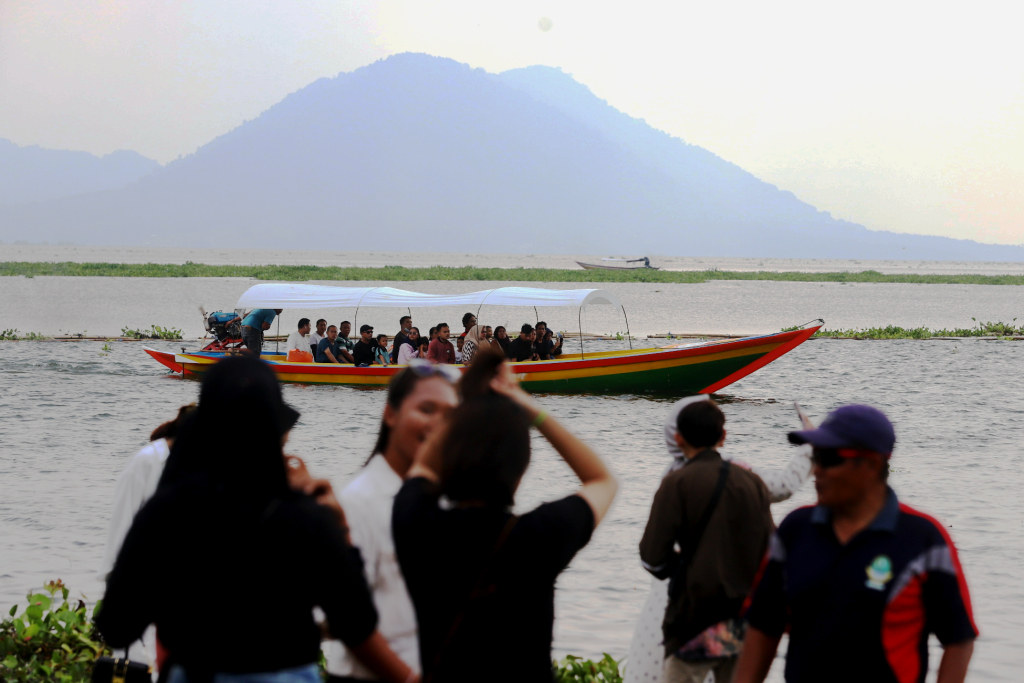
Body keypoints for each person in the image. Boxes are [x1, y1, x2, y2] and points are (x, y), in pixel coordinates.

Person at [96, 355, 414, 683]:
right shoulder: (305, 515)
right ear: (278, 432)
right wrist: (339, 525)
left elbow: (118, 626)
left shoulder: (167, 511)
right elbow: (356, 621)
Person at [393, 344, 618, 682]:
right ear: (522, 468)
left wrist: (466, 411)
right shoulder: (539, 537)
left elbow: (425, 464)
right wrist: (530, 408)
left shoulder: (416, 521)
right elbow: (602, 479)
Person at [733, 405, 978, 683]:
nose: (817, 470)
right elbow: (764, 626)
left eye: (828, 458)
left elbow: (959, 640)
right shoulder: (795, 530)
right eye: (815, 457)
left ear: (872, 464)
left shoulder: (924, 539)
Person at [624, 397, 815, 683]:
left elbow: (651, 557)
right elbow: (770, 548)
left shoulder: (674, 480)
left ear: (676, 437)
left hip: (692, 619)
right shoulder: (749, 480)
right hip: (736, 620)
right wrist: (809, 449)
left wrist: (681, 571)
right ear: (723, 436)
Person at [324, 360, 461, 683]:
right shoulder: (359, 502)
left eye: (450, 416)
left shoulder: (446, 499)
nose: (439, 424)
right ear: (391, 414)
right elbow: (346, 620)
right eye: (427, 409)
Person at [100, 404, 197, 672]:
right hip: (137, 584)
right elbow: (121, 531)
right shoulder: (146, 461)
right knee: (134, 665)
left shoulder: (198, 467)